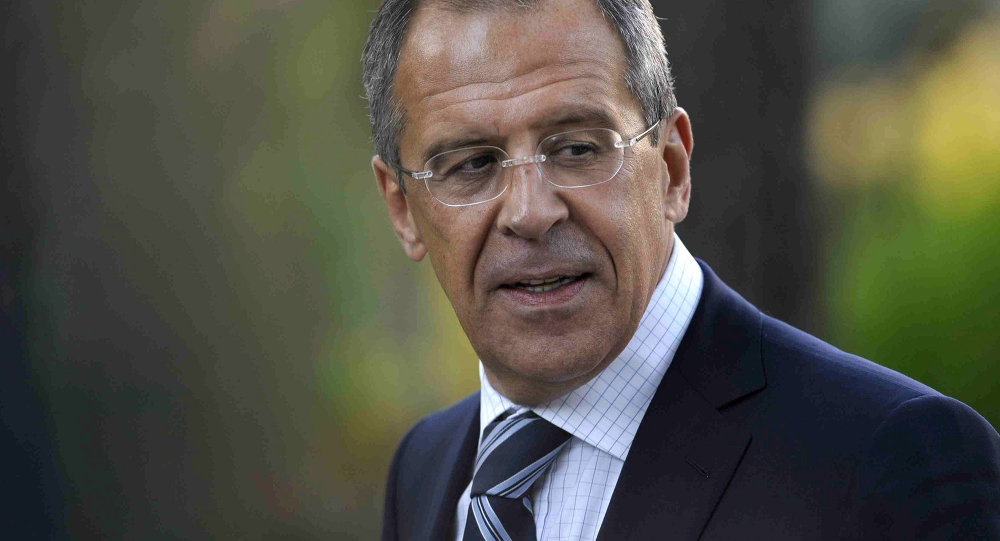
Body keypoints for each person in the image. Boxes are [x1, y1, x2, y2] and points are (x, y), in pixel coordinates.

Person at [362, 0, 1000, 539]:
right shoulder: (424, 469)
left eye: (578, 148)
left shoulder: (894, 461)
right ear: (403, 209)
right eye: (471, 165)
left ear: (672, 167)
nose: (530, 213)